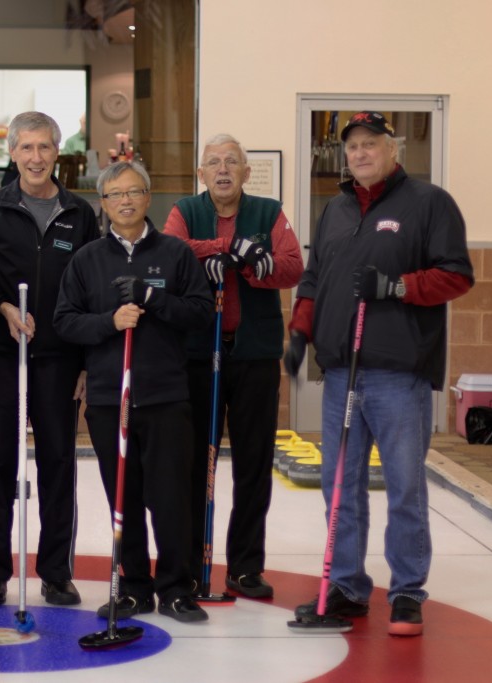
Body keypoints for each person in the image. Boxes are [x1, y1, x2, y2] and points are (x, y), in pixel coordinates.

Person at [284, 112, 473, 637]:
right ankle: (346, 587)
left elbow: (457, 275)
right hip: (340, 373)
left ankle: (408, 591)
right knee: (339, 487)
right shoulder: (337, 208)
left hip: (398, 374)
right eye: (352, 147)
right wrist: (300, 332)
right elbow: (314, 278)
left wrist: (397, 287)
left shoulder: (428, 203)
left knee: (404, 487)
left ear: (394, 150)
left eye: (371, 144)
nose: (360, 153)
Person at [54, 160, 213, 623]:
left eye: (134, 191)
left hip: (165, 397)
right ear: (103, 204)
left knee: (171, 498)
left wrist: (151, 298)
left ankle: (176, 589)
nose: (125, 201)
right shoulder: (87, 259)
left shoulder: (176, 253)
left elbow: (200, 312)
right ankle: (134, 588)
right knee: (123, 497)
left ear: (148, 197)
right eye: (115, 194)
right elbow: (65, 321)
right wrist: (111, 321)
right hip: (110, 399)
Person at [162, 133, 304, 599]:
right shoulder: (185, 209)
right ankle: (186, 564)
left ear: (246, 171)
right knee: (190, 463)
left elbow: (292, 266)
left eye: (231, 162)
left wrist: (253, 264)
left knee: (253, 464)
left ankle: (245, 566)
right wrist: (224, 249)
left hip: (254, 357)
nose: (222, 169)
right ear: (200, 173)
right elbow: (170, 253)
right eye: (213, 162)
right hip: (197, 356)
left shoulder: (269, 212)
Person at [0, 111, 100, 608]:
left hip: (60, 359)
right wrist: (1, 307)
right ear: (12, 153)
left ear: (57, 151)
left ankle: (56, 573)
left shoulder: (79, 214)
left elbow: (91, 290)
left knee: (58, 463)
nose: (36, 157)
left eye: (44, 147)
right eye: (26, 147)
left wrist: (86, 361)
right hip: (1, 354)